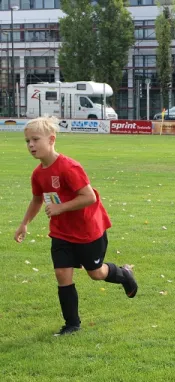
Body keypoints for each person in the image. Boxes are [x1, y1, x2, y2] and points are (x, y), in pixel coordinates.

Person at [13, 116, 138, 337]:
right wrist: (24, 224)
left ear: (51, 140)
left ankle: (124, 273)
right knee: (62, 274)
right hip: (61, 232)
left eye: (35, 139)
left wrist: (61, 209)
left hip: (87, 231)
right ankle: (71, 324)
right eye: (27, 141)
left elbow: (88, 197)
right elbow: (37, 200)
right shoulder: (38, 173)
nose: (30, 145)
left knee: (96, 274)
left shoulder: (69, 167)